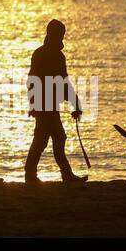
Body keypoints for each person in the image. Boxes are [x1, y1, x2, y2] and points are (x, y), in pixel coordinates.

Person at [24, 18, 87, 183]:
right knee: (51, 139)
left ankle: (35, 174)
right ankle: (62, 175)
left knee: (47, 139)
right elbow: (36, 79)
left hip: (49, 104)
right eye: (61, 34)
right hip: (44, 104)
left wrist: (75, 103)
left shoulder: (50, 54)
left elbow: (62, 82)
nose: (62, 37)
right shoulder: (48, 55)